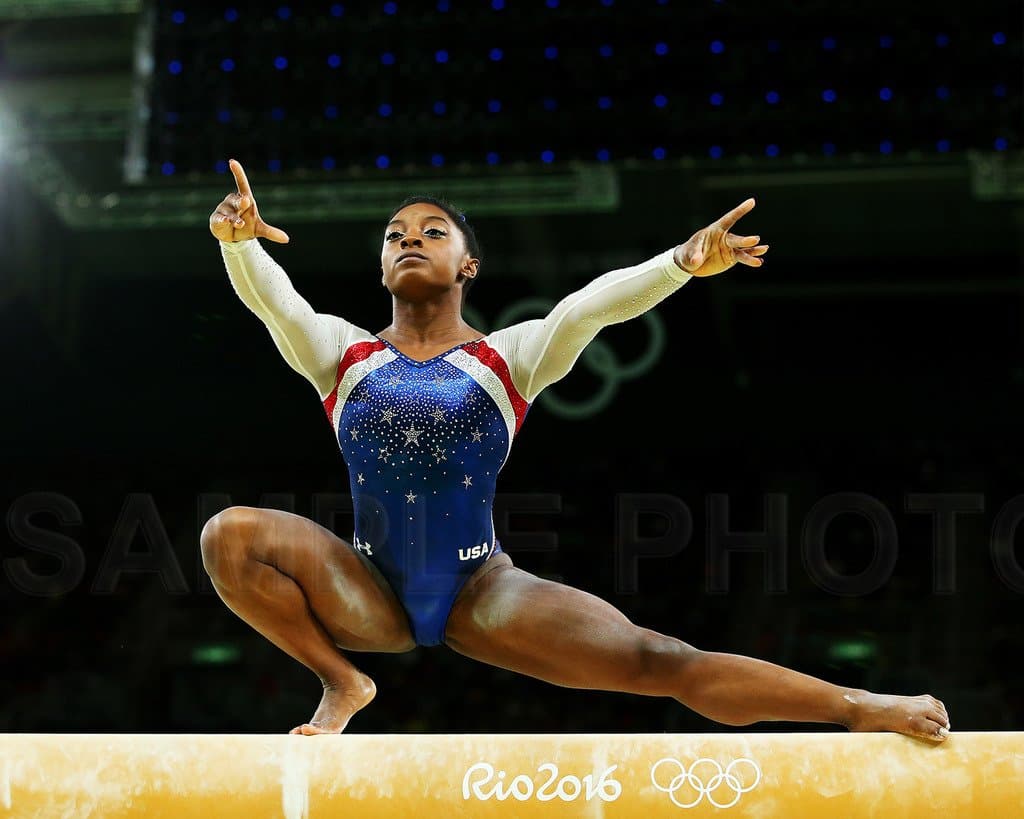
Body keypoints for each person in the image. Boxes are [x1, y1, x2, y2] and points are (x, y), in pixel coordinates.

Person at [201, 158, 951, 741]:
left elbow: (590, 307)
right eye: (395, 234)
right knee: (229, 534)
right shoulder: (343, 354)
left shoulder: (506, 359)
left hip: (480, 592)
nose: (409, 240)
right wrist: (240, 247)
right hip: (364, 586)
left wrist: (681, 263)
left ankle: (857, 705)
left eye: (432, 231)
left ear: (468, 265)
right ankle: (342, 681)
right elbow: (277, 302)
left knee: (660, 659)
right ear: (381, 267)